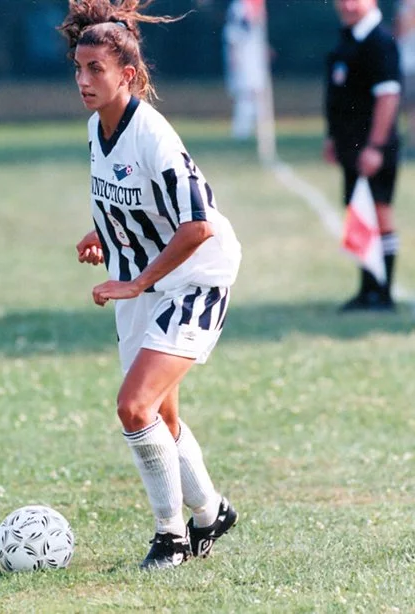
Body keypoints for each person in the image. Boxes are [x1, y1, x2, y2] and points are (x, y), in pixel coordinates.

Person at [59, 0, 242, 570]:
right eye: (79, 68)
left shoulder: (154, 136)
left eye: (96, 70)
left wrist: (137, 281)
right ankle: (211, 511)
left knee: (134, 407)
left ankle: (171, 537)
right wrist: (100, 231)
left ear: (127, 76)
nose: (84, 81)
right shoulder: (97, 127)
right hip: (148, 276)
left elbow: (195, 226)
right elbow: (129, 197)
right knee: (159, 417)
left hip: (194, 275)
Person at [324, 0, 401, 311]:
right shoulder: (348, 39)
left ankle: (383, 292)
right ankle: (367, 287)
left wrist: (376, 146)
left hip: (372, 148)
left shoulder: (379, 42)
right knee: (359, 214)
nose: (347, 5)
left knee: (379, 212)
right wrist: (333, 136)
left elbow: (388, 97)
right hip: (351, 147)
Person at [222, 0, 268, 140]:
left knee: (257, 93)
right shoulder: (239, 8)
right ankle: (242, 132)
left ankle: (260, 131)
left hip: (254, 58)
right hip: (243, 58)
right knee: (245, 95)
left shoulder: (256, 6)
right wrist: (234, 58)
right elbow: (233, 34)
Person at [394, 0, 415, 159]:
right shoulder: (402, 9)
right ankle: (403, 144)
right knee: (400, 109)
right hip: (402, 66)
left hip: (414, 67)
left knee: (414, 109)